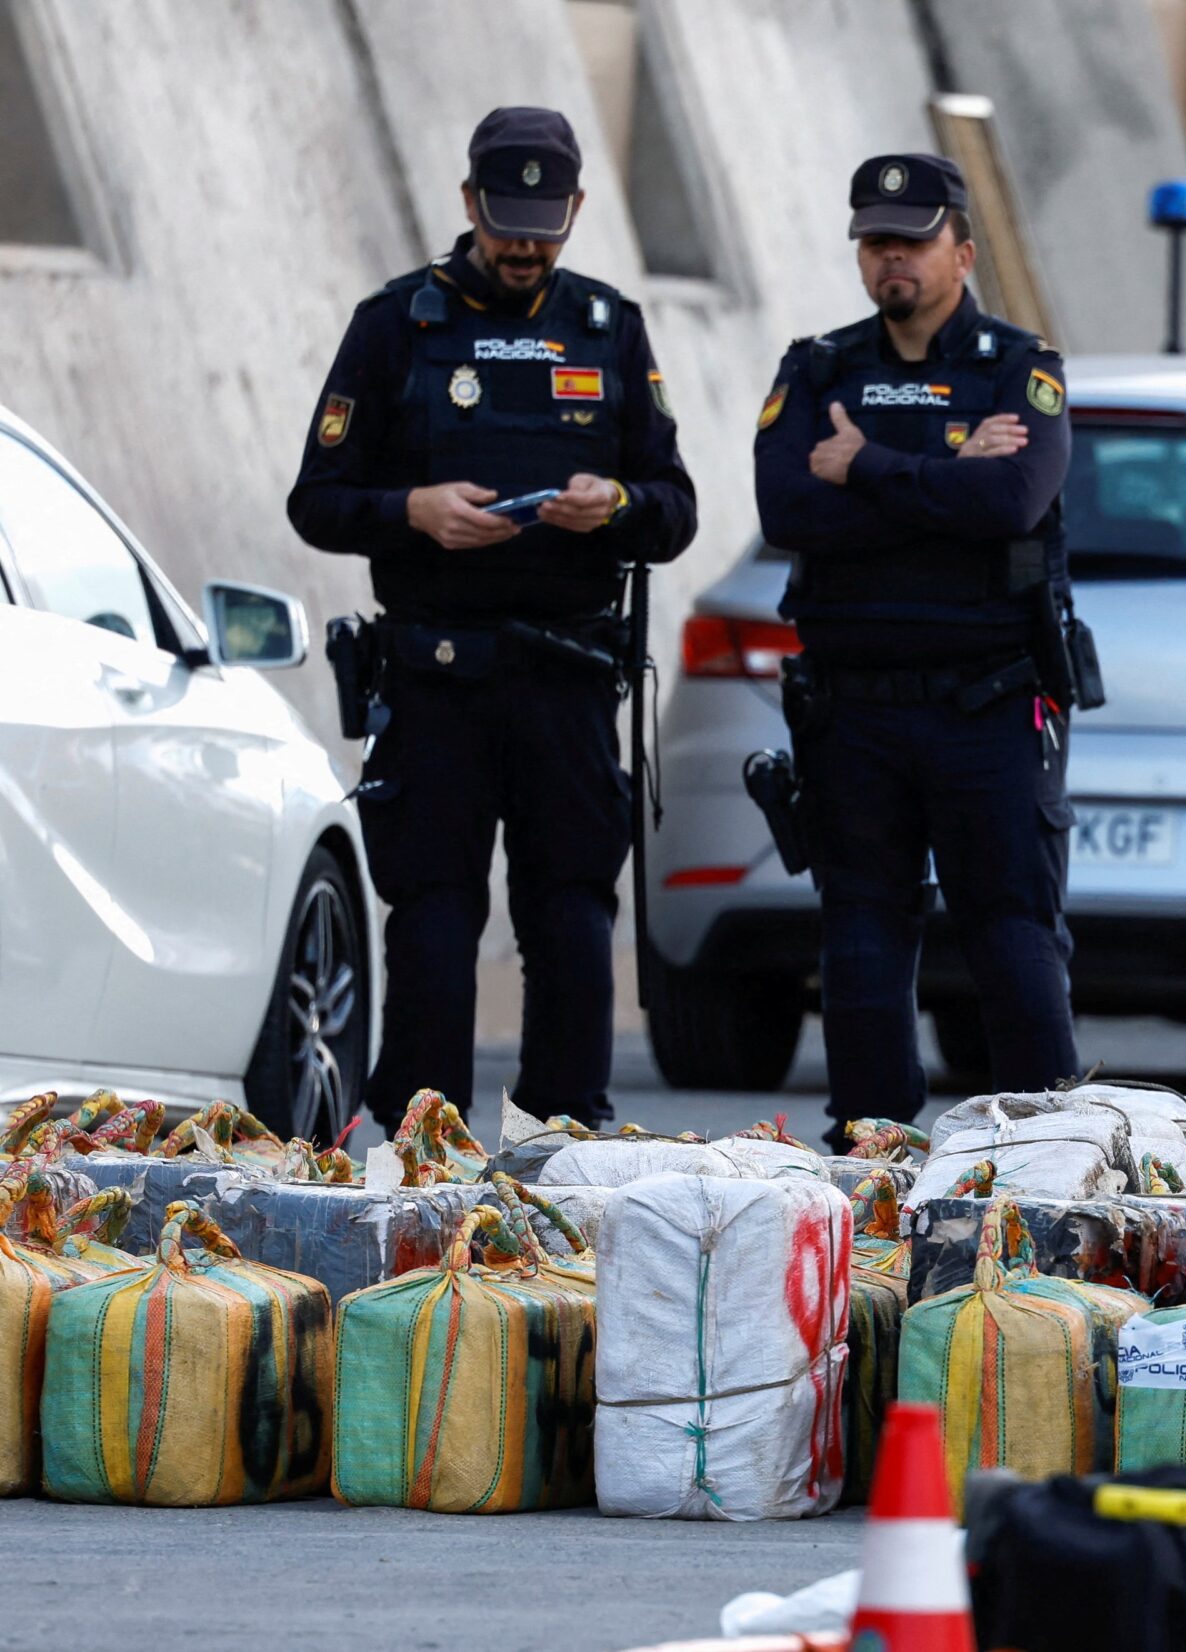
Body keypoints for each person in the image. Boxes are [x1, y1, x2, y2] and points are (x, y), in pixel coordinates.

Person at [287, 107, 696, 1128]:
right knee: (432, 919)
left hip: (567, 679)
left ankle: (563, 1138)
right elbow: (317, 498)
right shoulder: (396, 326)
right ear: (470, 203)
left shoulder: (608, 328)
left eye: (545, 222)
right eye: (508, 219)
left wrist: (620, 505)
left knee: (569, 919)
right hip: (437, 677)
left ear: (576, 212)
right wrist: (412, 512)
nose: (525, 244)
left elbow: (675, 505)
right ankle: (424, 1143)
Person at [755, 152, 1078, 1134]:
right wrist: (943, 468)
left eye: (912, 240)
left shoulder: (1020, 369)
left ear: (962, 250)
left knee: (1011, 935)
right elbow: (788, 505)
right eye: (874, 242)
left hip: (988, 702)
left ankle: (1047, 1154)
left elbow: (1013, 499)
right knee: (859, 937)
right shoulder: (819, 367)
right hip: (855, 706)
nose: (891, 258)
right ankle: (871, 1159)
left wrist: (868, 466)